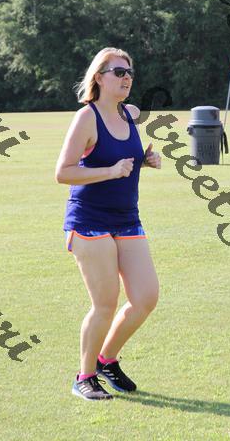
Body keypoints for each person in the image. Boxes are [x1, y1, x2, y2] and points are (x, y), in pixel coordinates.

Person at [55, 47, 161, 401]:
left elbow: (120, 159)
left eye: (129, 72)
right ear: (99, 77)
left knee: (145, 297)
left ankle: (106, 360)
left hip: (127, 218)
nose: (126, 78)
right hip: (89, 221)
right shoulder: (87, 117)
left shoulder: (130, 114)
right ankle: (84, 377)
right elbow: (63, 172)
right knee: (105, 303)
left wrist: (144, 161)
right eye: (118, 72)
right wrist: (111, 171)